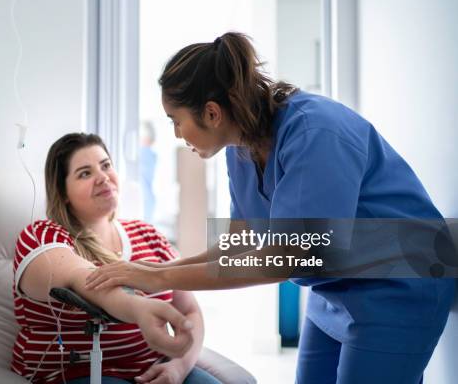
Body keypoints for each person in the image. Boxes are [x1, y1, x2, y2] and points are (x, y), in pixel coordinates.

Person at [85, 32, 456, 383]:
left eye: (176, 121)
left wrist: (158, 279)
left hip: (399, 285)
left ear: (212, 113)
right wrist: (153, 268)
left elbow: (289, 259)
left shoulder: (315, 133)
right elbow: (238, 246)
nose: (177, 134)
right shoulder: (240, 148)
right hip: (334, 289)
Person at [10, 133, 220, 384]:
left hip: (157, 370)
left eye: (106, 165)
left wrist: (179, 367)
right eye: (85, 173)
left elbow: (189, 310)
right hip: (81, 374)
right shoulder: (42, 236)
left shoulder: (148, 234)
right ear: (63, 192)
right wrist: (139, 308)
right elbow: (82, 277)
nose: (102, 177)